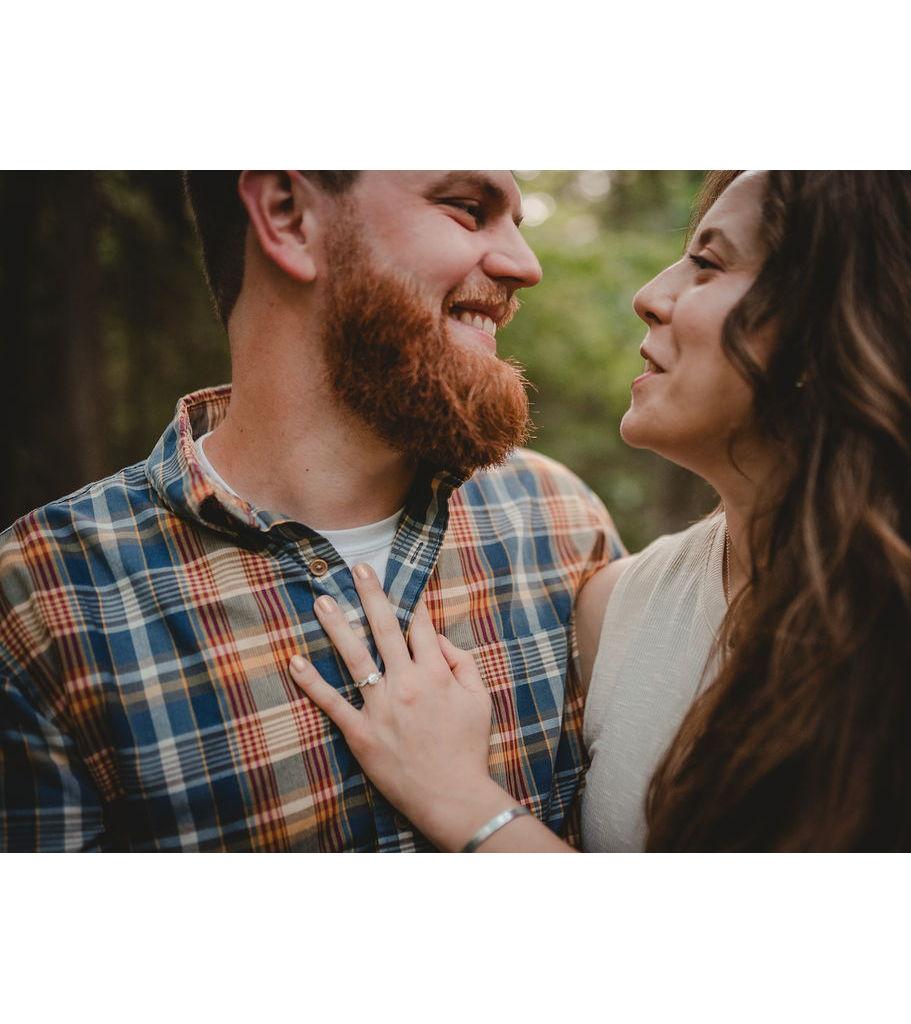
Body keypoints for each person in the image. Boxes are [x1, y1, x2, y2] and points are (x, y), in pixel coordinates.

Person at [288, 170, 911, 852]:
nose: (649, 294)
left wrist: (460, 800)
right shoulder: (616, 609)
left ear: (846, 324)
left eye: (708, 263)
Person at [0, 171, 623, 851]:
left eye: (517, 225)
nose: (525, 266)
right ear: (288, 214)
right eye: (468, 210)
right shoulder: (43, 600)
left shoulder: (562, 522)